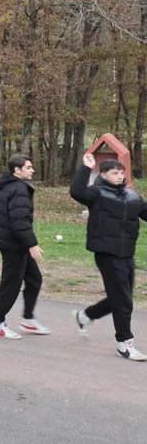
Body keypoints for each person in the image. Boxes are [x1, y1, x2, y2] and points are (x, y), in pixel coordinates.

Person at [70, 154, 147, 361]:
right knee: (123, 300)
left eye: (122, 173)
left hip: (126, 253)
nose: (120, 176)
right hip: (106, 253)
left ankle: (85, 316)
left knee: (121, 296)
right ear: (103, 175)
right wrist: (86, 167)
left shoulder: (132, 197)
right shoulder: (96, 194)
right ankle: (125, 343)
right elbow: (76, 192)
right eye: (114, 173)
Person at [0, 154, 49, 339]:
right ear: (17, 170)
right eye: (29, 167)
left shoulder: (3, 185)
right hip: (14, 243)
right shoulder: (19, 188)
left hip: (9, 240)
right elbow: (19, 220)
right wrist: (31, 243)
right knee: (11, 283)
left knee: (34, 279)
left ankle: (28, 318)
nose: (32, 170)